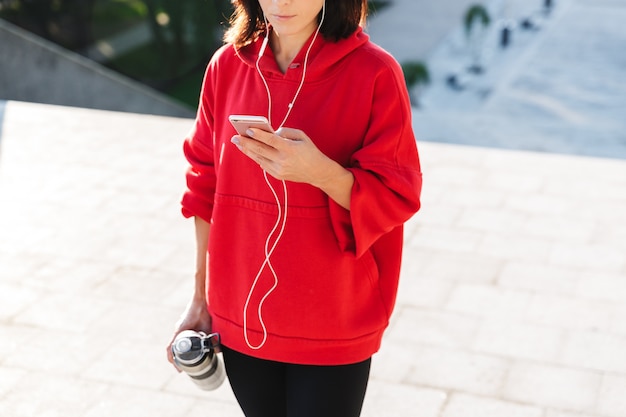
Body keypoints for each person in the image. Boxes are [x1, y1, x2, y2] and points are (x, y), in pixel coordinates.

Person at [167, 0, 422, 416]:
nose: (283, 3)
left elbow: (398, 194)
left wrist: (321, 173)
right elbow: (203, 185)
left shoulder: (375, 72)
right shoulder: (226, 67)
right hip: (242, 317)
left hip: (334, 320)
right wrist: (201, 297)